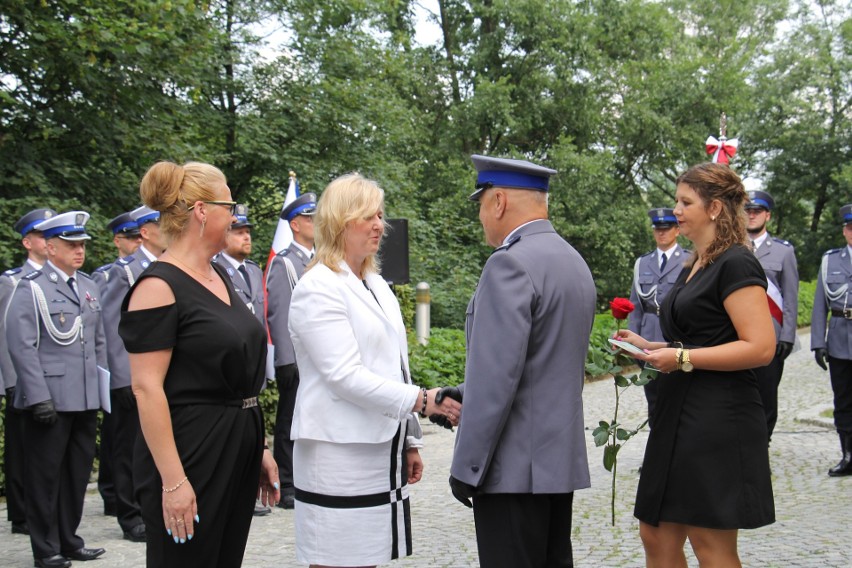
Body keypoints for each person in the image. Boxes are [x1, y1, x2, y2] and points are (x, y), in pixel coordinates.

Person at [287, 173, 460, 567]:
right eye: (368, 216)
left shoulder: (376, 283)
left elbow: (394, 367)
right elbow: (343, 375)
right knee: (337, 559)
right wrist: (422, 401)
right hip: (337, 453)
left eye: (380, 215)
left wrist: (410, 440)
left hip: (380, 448)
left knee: (370, 557)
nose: (380, 225)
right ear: (340, 221)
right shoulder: (318, 286)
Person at [118, 161, 279, 567]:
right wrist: (173, 482)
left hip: (234, 444)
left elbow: (235, 374)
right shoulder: (158, 287)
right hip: (191, 451)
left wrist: (256, 445)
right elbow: (146, 388)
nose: (236, 216)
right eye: (230, 205)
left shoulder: (217, 275)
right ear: (203, 211)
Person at [615, 162, 776, 567]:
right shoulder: (695, 262)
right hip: (677, 411)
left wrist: (682, 357)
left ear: (715, 208)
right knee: (656, 533)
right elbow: (701, 335)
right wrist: (649, 346)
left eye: (686, 202)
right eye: (676, 201)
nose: (677, 211)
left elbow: (760, 347)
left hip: (718, 417)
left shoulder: (737, 262)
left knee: (710, 543)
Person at [448, 155, 596, 568]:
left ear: (498, 202)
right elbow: (543, 364)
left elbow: (498, 379)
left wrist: (468, 467)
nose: (480, 218)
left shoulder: (509, 263)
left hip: (511, 469)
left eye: (480, 205)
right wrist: (462, 392)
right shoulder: (572, 261)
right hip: (554, 465)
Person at [7, 211, 108, 568]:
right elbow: (22, 345)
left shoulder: (87, 286)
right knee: (45, 477)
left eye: (81, 244)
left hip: (83, 396)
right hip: (49, 398)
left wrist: (101, 391)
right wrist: (37, 396)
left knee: (76, 474)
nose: (79, 251)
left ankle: (70, 539)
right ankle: (45, 547)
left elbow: (99, 344)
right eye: (71, 244)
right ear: (49, 248)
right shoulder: (31, 287)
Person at [96, 205, 166, 544]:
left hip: (163, 375)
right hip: (132, 375)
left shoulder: (168, 267)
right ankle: (130, 514)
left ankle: (151, 507)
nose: (166, 228)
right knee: (128, 448)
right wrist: (120, 377)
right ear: (145, 232)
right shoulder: (125, 271)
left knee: (156, 446)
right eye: (158, 223)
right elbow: (111, 326)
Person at [0, 207, 56, 537]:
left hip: (55, 384)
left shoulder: (59, 279)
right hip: (21, 380)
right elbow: (7, 335)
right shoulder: (12, 282)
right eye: (41, 235)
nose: (48, 241)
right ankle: (20, 514)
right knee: (21, 450)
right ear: (27, 242)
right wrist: (10, 379)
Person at [211, 203, 271, 516]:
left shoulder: (254, 271)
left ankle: (247, 494)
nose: (246, 237)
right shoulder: (213, 271)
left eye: (248, 232)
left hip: (252, 367)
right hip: (229, 368)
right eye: (238, 231)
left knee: (251, 435)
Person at [266, 191, 316, 510]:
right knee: (289, 420)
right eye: (311, 218)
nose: (317, 223)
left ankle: (305, 477)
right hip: (296, 358)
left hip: (316, 358)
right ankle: (286, 482)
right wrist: (286, 359)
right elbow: (279, 312)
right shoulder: (286, 262)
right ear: (295, 224)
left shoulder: (319, 259)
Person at [92, 210, 141, 519]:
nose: (137, 242)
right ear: (117, 241)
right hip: (122, 371)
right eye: (131, 237)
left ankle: (122, 495)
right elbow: (108, 328)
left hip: (140, 371)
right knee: (118, 438)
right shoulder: (110, 274)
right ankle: (115, 497)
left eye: (140, 236)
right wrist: (117, 375)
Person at [745, 189, 799, 442]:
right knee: (739, 397)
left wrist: (787, 336)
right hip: (736, 337)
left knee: (766, 397)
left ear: (767, 215)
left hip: (771, 337)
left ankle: (761, 447)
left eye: (756, 211)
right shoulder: (732, 247)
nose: (751, 215)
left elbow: (790, 296)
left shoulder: (784, 251)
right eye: (747, 211)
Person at [629, 207, 691, 422]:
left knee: (678, 395)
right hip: (648, 333)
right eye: (657, 229)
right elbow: (635, 306)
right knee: (653, 397)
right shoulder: (642, 263)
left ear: (677, 230)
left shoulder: (690, 260)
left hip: (676, 337)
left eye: (667, 228)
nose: (661, 233)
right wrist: (632, 343)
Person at [811, 203, 852, 477]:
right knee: (844, 401)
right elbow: (819, 306)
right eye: (850, 227)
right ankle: (848, 455)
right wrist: (818, 343)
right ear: (844, 231)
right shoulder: (830, 260)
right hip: (839, 340)